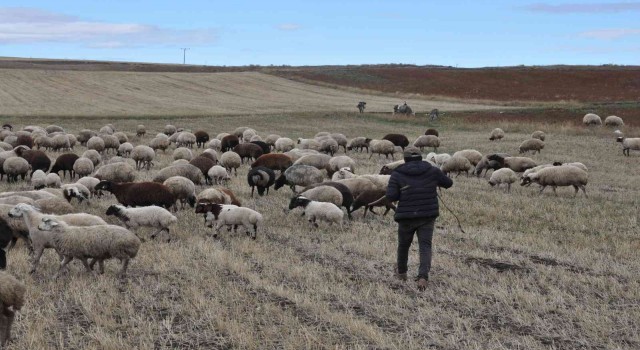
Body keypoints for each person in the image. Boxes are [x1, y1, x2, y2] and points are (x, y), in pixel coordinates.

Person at [385, 149, 453, 290]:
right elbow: (448, 183)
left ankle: (402, 273)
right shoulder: (432, 170)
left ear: (405, 159)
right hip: (427, 215)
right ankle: (422, 277)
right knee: (425, 246)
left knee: (403, 245)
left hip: (406, 216)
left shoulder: (397, 173)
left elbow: (391, 196)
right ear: (421, 158)